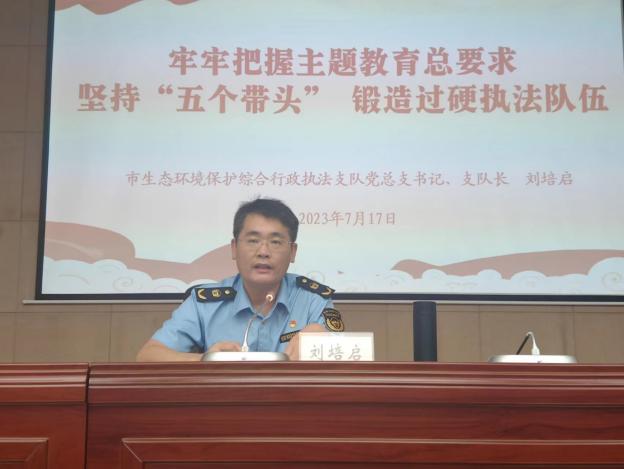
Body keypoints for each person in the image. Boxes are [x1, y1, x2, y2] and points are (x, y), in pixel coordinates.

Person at [136, 197, 343, 361]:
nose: (263, 252)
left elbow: (347, 353)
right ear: (234, 248)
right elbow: (148, 355)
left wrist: (322, 336)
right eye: (253, 241)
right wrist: (207, 360)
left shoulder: (314, 300)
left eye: (275, 242)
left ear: (293, 252)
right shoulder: (204, 304)